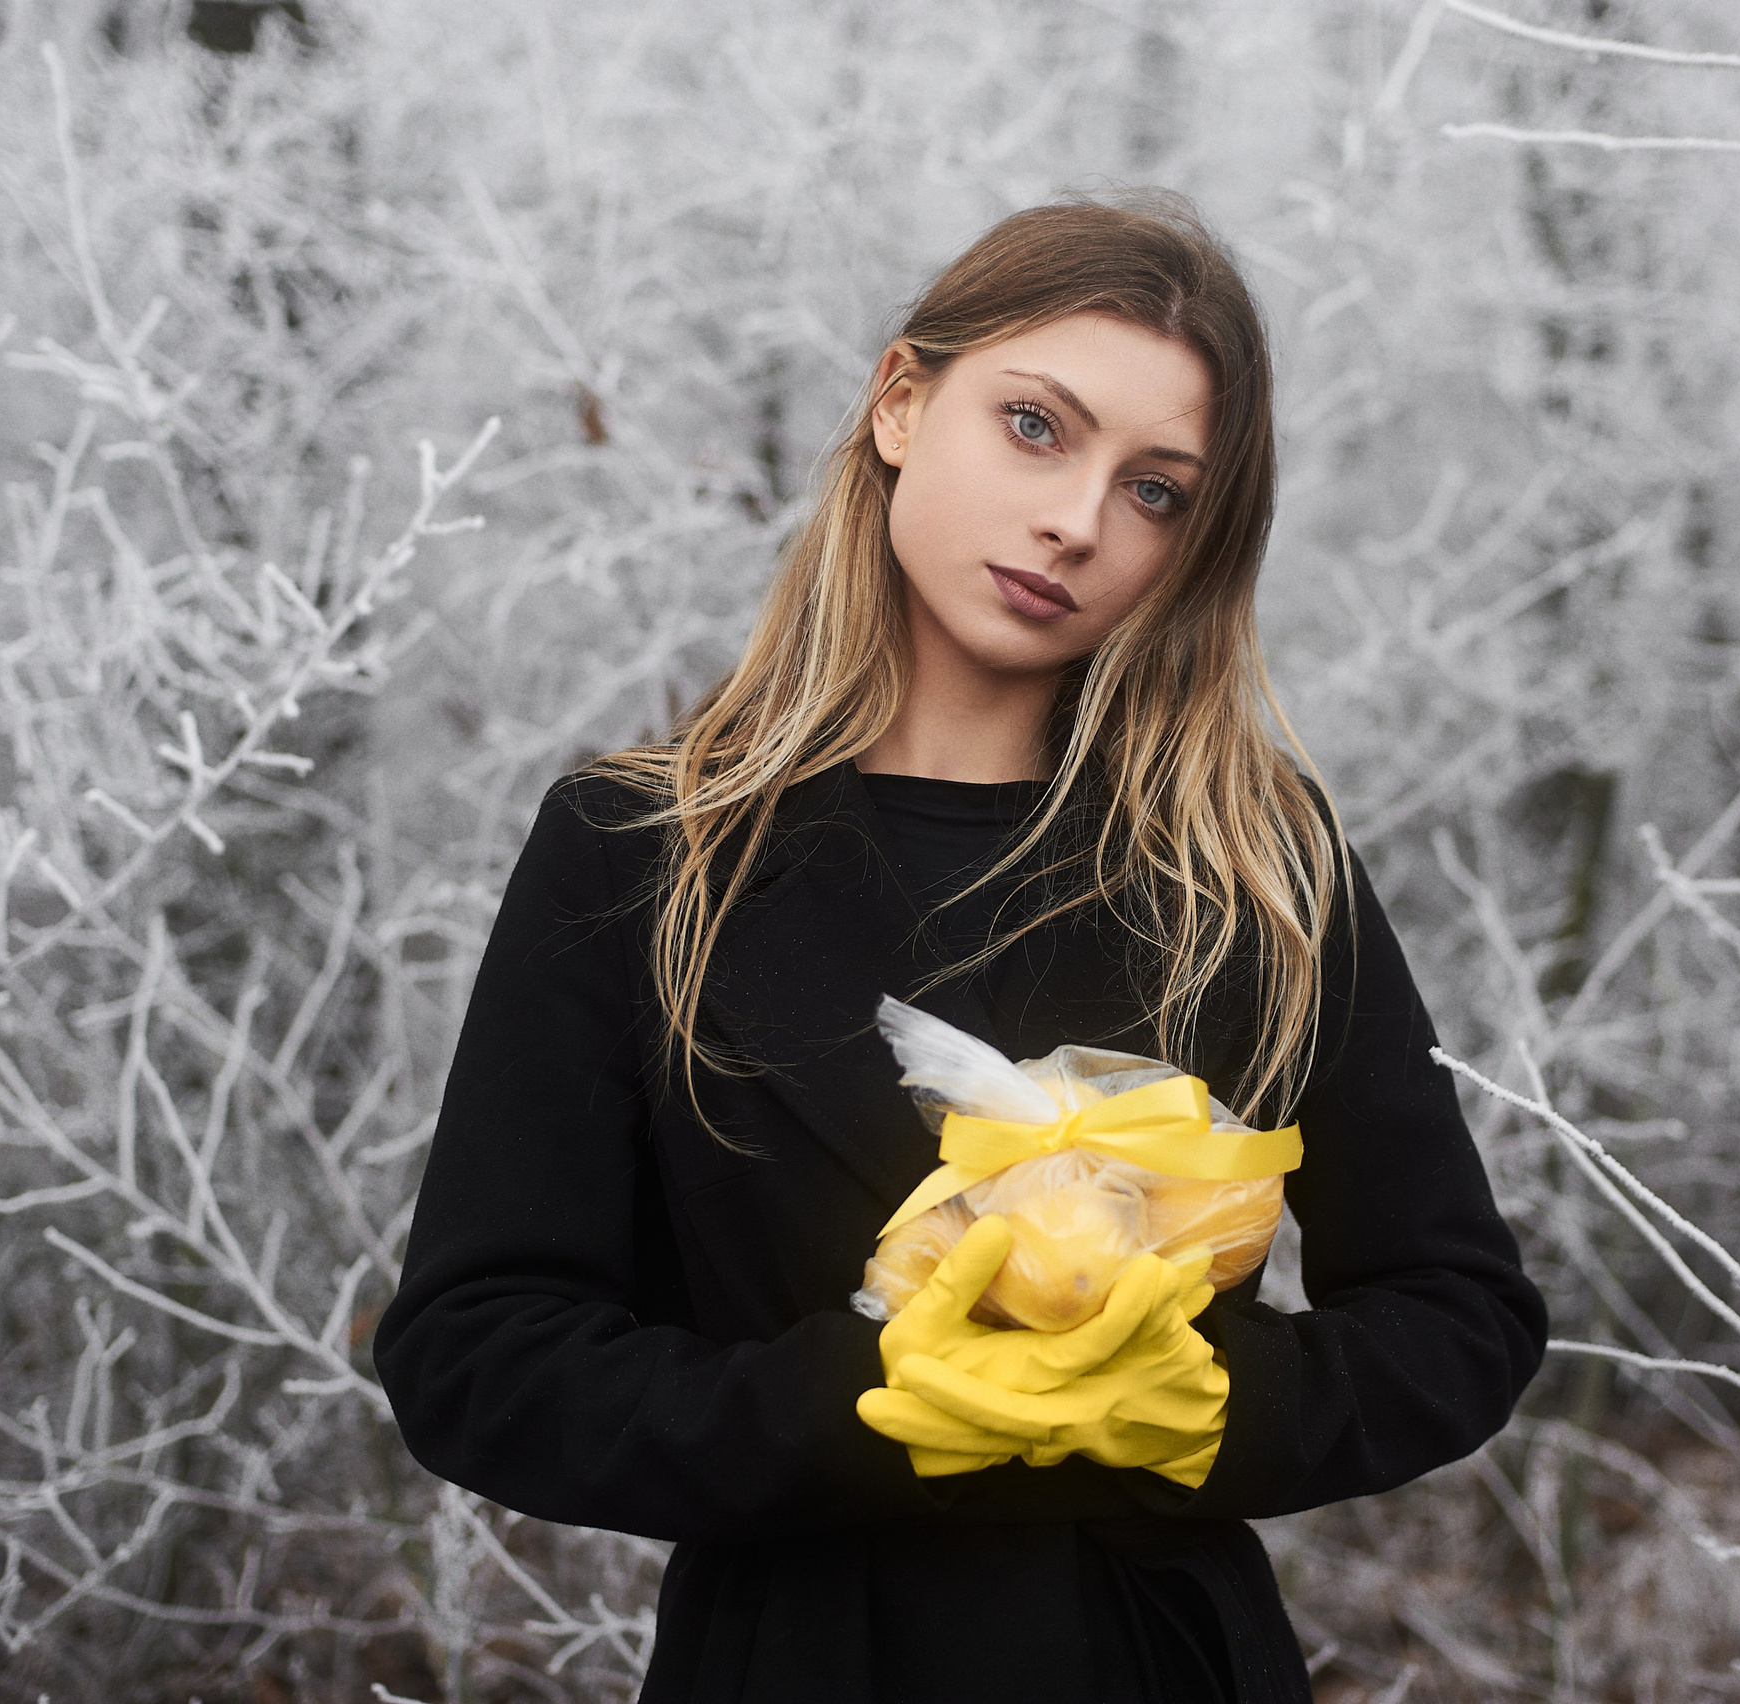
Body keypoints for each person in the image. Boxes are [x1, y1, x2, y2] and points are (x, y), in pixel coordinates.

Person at [373, 193, 1547, 1703]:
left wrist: (1199, 1407)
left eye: (1160, 492)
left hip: (1159, 1659)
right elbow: (479, 1356)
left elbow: (1460, 1318)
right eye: (1039, 428)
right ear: (901, 402)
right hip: (796, 1659)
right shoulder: (646, 851)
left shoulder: (1254, 864)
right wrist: (856, 1403)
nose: (1080, 521)